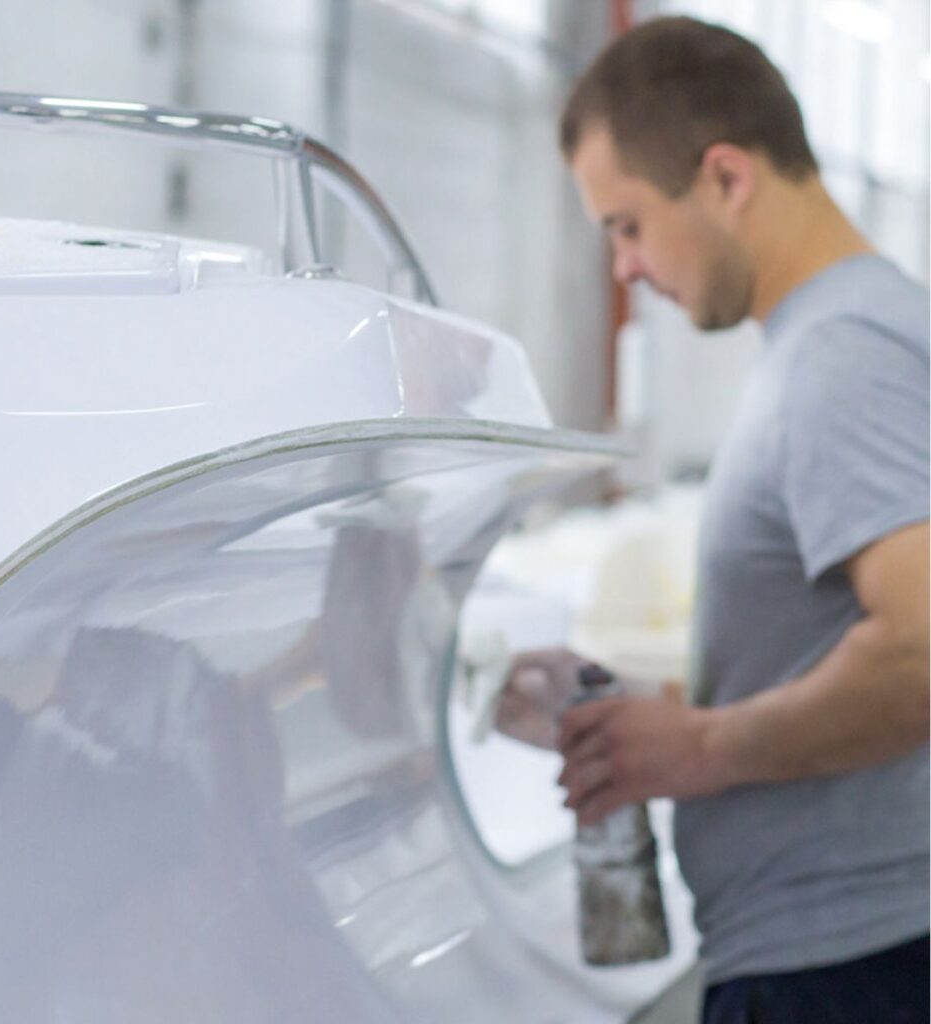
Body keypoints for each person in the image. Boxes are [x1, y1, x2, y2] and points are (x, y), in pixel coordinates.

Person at [495, 16, 930, 1024]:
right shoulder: (852, 337)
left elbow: (921, 647)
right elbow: (840, 640)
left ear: (726, 178)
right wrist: (647, 706)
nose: (625, 270)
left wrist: (696, 748)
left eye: (627, 224)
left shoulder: (844, 356)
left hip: (849, 969)